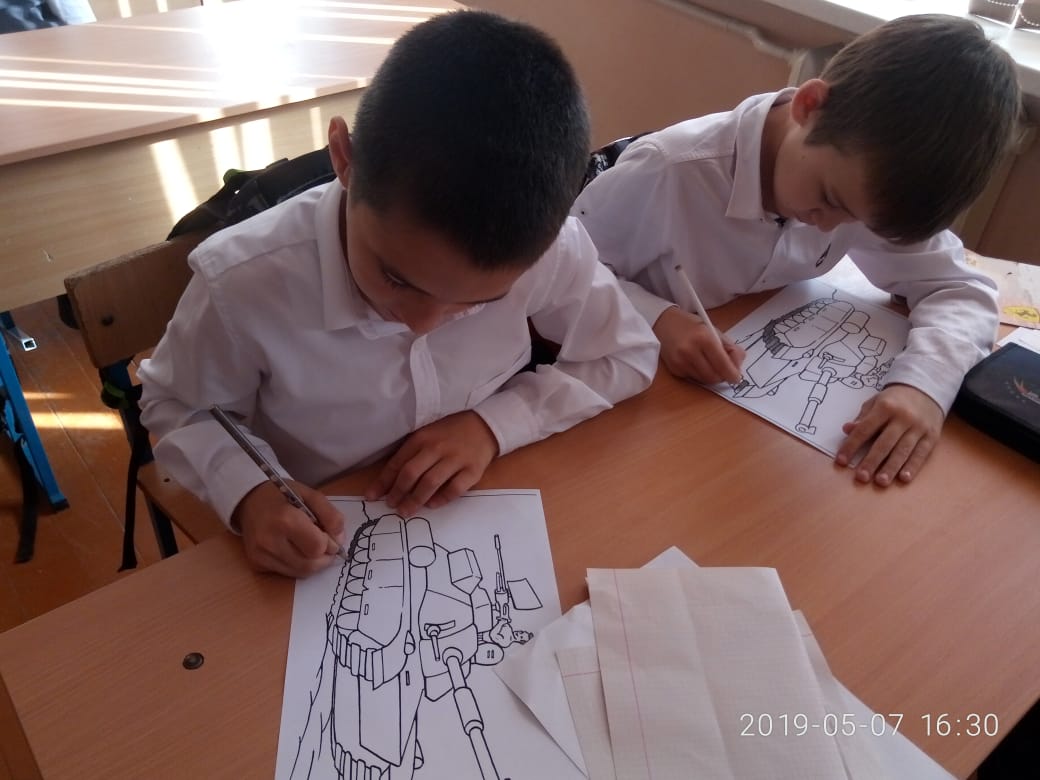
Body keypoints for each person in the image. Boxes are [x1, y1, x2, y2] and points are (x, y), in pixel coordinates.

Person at [138, 10, 660, 578]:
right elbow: (179, 407)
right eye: (397, 278)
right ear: (344, 158)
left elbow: (627, 352)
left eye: (479, 302)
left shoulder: (548, 246)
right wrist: (250, 493)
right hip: (320, 525)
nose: (422, 323)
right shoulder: (242, 283)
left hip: (480, 499)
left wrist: (495, 425)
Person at [572, 14, 1021, 488]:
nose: (827, 226)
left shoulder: (863, 176)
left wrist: (924, 385)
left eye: (857, 221)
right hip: (624, 406)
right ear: (809, 105)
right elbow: (556, 270)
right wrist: (658, 319)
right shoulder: (668, 172)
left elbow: (960, 288)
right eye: (830, 200)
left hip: (718, 426)